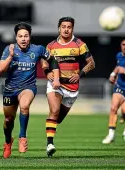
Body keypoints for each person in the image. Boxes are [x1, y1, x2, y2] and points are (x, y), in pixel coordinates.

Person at [0, 22, 60, 159]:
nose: (23, 39)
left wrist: (55, 77)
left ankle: (22, 137)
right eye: (20, 36)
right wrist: (10, 56)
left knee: (24, 106)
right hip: (10, 89)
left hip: (28, 87)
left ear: (30, 37)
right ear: (16, 37)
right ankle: (8, 142)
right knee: (8, 120)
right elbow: (0, 69)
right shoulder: (9, 49)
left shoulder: (38, 49)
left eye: (26, 36)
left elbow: (52, 60)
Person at [42, 17, 95, 157]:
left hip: (72, 88)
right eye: (63, 27)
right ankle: (49, 144)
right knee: (54, 110)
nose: (66, 29)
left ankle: (50, 128)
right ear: (59, 28)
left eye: (69, 27)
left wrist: (80, 74)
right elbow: (44, 63)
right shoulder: (51, 46)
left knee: (58, 119)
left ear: (72, 28)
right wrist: (47, 73)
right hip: (56, 84)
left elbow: (91, 63)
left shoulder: (79, 44)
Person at [102, 36, 125, 144]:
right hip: (120, 87)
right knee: (113, 108)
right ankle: (111, 135)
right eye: (124, 44)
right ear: (121, 46)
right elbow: (118, 67)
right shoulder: (119, 56)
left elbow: (122, 69)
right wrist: (112, 75)